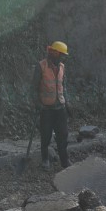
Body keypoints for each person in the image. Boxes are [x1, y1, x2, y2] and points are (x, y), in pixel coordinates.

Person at [33, 40, 71, 170]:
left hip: (60, 108)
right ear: (54, 53)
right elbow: (34, 88)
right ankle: (45, 160)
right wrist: (37, 103)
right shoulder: (41, 66)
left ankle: (65, 161)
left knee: (63, 136)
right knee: (46, 135)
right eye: (61, 55)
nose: (63, 58)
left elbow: (63, 86)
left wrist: (68, 103)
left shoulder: (62, 67)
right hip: (46, 108)